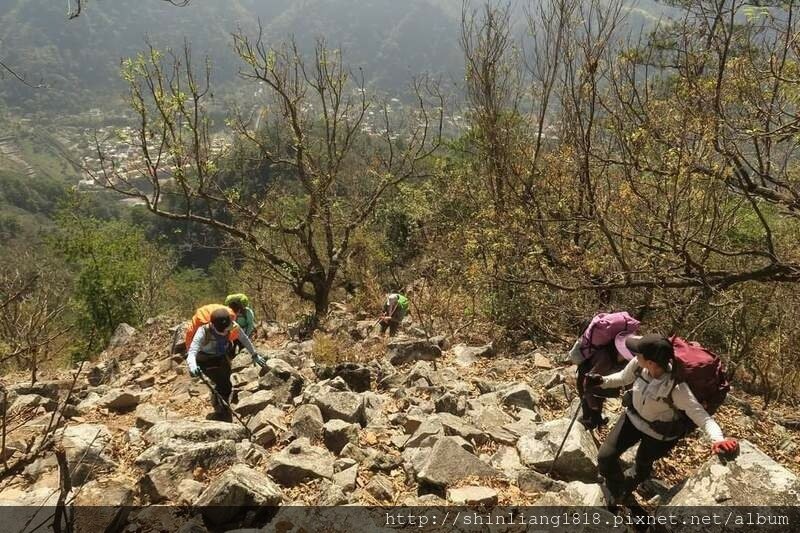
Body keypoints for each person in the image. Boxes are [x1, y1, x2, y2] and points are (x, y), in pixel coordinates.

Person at [586, 334, 739, 504]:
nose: (634, 355)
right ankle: (617, 489)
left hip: (659, 436)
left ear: (651, 362)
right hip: (632, 418)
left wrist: (718, 439)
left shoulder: (677, 389)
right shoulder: (639, 365)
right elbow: (623, 377)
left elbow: (702, 417)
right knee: (605, 458)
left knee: (641, 467)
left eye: (638, 353)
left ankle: (622, 494)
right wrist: (601, 381)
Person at [186, 306, 266, 421]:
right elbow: (192, 352)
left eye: (227, 329)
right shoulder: (203, 331)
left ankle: (218, 400)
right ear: (213, 325)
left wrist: (254, 354)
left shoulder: (232, 325)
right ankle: (221, 409)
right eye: (222, 330)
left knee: (226, 383)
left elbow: (244, 339)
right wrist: (193, 366)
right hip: (205, 359)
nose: (226, 332)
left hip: (221, 355)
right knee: (222, 383)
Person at [569, 312, 640, 430]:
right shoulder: (605, 358)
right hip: (587, 377)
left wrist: (632, 395)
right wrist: (593, 407)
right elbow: (587, 383)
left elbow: (628, 378)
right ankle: (588, 422)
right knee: (589, 403)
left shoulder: (624, 361)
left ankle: (597, 420)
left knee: (599, 398)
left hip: (602, 381)